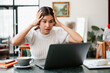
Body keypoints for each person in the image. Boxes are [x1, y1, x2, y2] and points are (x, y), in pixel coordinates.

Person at [12, 6, 83, 60]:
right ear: (38, 21)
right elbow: (14, 42)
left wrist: (61, 25)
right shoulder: (33, 34)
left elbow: (79, 39)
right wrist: (31, 25)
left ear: (54, 22)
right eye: (44, 21)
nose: (48, 25)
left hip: (55, 68)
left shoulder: (58, 33)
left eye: (51, 21)